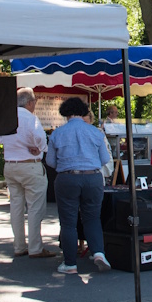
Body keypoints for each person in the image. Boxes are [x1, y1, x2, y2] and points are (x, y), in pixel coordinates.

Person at [46, 97, 112, 275]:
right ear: (83, 112)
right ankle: (98, 252)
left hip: (67, 178)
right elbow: (105, 159)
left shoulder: (57, 134)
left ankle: (70, 264)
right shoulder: (96, 132)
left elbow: (50, 161)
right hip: (93, 178)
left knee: (68, 222)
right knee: (92, 218)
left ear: (65, 113)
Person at [0, 88, 52, 258]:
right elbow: (40, 138)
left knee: (16, 206)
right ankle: (35, 248)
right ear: (29, 102)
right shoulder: (31, 118)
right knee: (35, 207)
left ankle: (19, 246)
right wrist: (40, 148)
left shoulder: (7, 117)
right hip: (30, 165)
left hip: (10, 165)